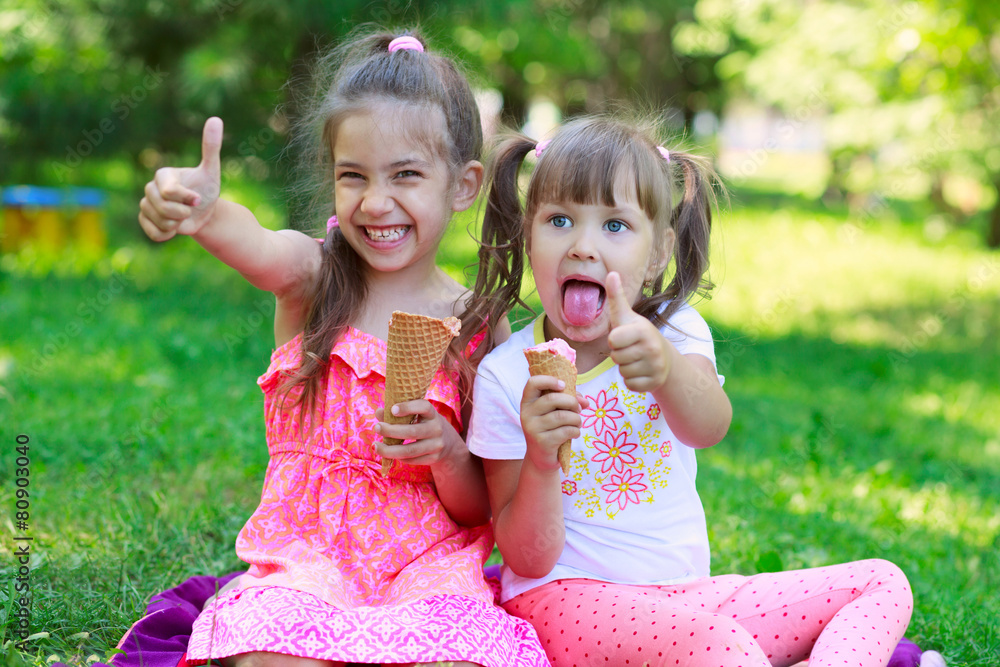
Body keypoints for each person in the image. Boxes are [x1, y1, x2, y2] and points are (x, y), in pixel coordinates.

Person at [137, 30, 547, 667]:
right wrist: (206, 213)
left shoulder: (476, 325)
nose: (376, 202)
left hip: (427, 566)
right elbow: (259, 246)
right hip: (310, 561)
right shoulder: (314, 278)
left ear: (463, 185)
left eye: (405, 175)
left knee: (459, 658)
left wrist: (446, 453)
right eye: (352, 176)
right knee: (274, 654)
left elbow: (479, 505)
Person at [465, 115, 913, 666]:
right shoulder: (507, 376)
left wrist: (669, 371)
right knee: (721, 647)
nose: (583, 246)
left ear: (657, 253)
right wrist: (539, 459)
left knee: (881, 582)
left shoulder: (677, 333)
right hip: (563, 599)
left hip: (688, 600)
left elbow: (709, 426)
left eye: (614, 226)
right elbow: (526, 559)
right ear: (527, 237)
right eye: (559, 220)